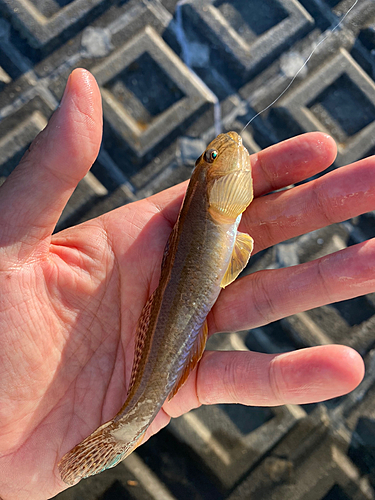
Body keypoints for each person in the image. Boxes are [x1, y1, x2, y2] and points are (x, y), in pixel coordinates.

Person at [0, 68, 372, 499]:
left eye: (208, 159)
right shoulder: (213, 203)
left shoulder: (212, 206)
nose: (221, 149)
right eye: (209, 160)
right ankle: (125, 426)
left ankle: (128, 423)